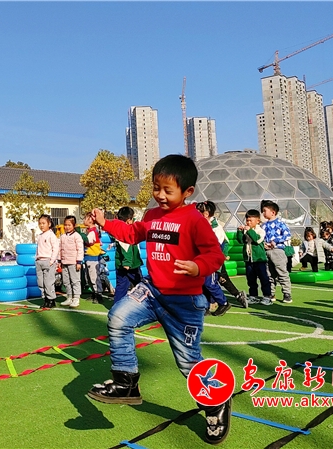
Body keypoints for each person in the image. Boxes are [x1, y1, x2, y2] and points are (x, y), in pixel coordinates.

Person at [86, 155, 229, 445]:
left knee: (188, 364)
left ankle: (216, 404)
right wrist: (105, 222)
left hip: (184, 303)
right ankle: (126, 382)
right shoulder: (151, 216)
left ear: (187, 192)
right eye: (156, 188)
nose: (160, 195)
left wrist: (197, 267)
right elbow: (131, 233)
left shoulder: (195, 220)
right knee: (118, 317)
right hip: (153, 292)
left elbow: (215, 255)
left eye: (168, 190)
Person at [196, 200, 248, 311]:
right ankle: (211, 303)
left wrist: (223, 255)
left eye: (198, 212)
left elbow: (220, 243)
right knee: (212, 281)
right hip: (205, 259)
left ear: (206, 214)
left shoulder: (215, 228)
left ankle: (230, 299)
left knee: (219, 279)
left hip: (213, 259)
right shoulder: (202, 224)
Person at [237, 209, 273, 306]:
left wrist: (249, 231)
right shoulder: (246, 230)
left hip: (259, 259)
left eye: (250, 220)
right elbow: (241, 241)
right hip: (249, 259)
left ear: (257, 221)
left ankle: (267, 296)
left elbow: (257, 240)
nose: (248, 222)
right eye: (247, 220)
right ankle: (253, 296)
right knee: (251, 279)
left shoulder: (261, 231)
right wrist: (240, 231)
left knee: (263, 278)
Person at [260, 200, 293, 304]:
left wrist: (275, 241)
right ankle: (271, 293)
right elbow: (261, 237)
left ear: (273, 212)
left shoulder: (280, 224)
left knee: (282, 273)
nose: (263, 213)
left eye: (265, 211)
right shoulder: (263, 225)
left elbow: (287, 235)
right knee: (269, 274)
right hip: (267, 251)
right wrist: (264, 244)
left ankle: (287, 294)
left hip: (278, 251)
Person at [111, 206, 143, 303]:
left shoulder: (119, 229)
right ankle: (143, 302)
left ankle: (118, 305)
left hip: (124, 264)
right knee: (139, 284)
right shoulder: (125, 231)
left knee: (122, 285)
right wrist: (127, 262)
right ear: (129, 220)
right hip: (130, 265)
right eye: (132, 219)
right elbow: (126, 248)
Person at [58, 216, 84, 308]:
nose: (67, 227)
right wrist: (59, 260)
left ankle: (76, 298)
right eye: (65, 225)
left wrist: (79, 262)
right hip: (64, 262)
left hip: (74, 262)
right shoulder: (62, 236)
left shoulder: (77, 236)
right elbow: (60, 249)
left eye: (69, 225)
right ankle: (69, 297)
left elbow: (80, 249)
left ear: (74, 225)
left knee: (75, 280)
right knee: (66, 281)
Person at [35, 214, 59, 309]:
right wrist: (36, 258)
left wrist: (52, 261)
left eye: (43, 223)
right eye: (40, 223)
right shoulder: (40, 236)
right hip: (39, 261)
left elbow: (55, 248)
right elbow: (38, 248)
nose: (41, 225)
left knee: (48, 282)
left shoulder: (51, 235)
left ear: (49, 224)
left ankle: (51, 300)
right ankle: (45, 299)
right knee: (40, 282)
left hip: (48, 261)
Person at [83, 212, 104, 304]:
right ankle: (94, 292)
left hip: (93, 257)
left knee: (94, 277)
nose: (84, 220)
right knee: (89, 277)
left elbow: (89, 241)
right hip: (88, 257)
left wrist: (82, 236)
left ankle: (98, 294)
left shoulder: (92, 231)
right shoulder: (89, 231)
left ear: (90, 220)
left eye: (85, 218)